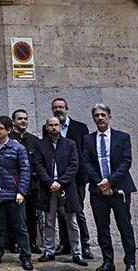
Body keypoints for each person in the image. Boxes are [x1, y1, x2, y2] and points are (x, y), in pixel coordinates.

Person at [82, 104, 136, 271]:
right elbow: (87, 163)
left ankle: (130, 263)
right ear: (93, 118)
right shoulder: (88, 139)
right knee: (102, 228)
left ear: (109, 117)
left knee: (125, 226)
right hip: (98, 190)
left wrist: (110, 181)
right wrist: (101, 183)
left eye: (103, 115)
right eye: (96, 115)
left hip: (119, 189)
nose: (100, 118)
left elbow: (126, 162)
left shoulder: (122, 137)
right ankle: (108, 262)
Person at [35, 116, 86, 266]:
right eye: (50, 125)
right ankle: (49, 251)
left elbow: (74, 165)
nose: (53, 128)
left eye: (56, 125)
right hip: (48, 188)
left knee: (72, 222)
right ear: (46, 127)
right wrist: (50, 182)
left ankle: (77, 253)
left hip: (67, 188)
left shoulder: (70, 144)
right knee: (49, 222)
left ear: (60, 126)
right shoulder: (41, 144)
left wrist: (60, 182)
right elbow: (38, 165)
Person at [0, 116, 32, 271]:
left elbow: (25, 171)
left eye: (0, 128)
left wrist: (21, 192)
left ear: (9, 130)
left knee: (20, 228)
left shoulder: (18, 148)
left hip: (13, 194)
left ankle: (26, 257)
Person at [52, 97, 93, 259]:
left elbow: (85, 154)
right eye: (55, 107)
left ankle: (85, 244)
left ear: (67, 108)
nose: (58, 110)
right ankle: (65, 243)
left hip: (76, 179)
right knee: (60, 212)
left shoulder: (80, 128)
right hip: (58, 179)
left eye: (61, 107)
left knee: (78, 212)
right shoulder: (48, 127)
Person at [10, 109, 41, 254]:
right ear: (13, 121)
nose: (23, 121)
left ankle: (32, 242)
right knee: (16, 216)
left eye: (25, 119)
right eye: (20, 119)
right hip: (15, 184)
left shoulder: (34, 140)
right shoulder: (9, 139)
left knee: (31, 214)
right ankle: (16, 242)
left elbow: (39, 162)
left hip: (32, 185)